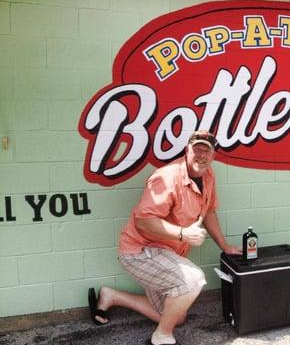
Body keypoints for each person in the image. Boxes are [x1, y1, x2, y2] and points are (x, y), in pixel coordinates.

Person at [88, 130, 241, 345]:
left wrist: (224, 245)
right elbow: (143, 221)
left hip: (165, 254)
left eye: (207, 152)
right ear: (187, 150)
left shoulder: (208, 175)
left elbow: (209, 211)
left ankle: (112, 296)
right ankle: (161, 337)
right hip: (140, 252)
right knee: (194, 280)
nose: (201, 156)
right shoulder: (167, 177)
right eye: (196, 150)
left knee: (176, 316)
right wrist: (182, 233)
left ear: (213, 155)